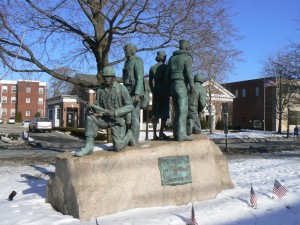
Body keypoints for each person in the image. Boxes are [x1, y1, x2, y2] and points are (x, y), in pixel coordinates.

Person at [75, 66, 134, 157]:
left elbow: (130, 106)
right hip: (104, 118)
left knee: (117, 147)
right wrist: (90, 107)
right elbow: (97, 107)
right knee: (90, 118)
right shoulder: (100, 90)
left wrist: (115, 112)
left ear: (113, 78)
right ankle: (89, 147)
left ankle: (129, 135)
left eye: (108, 76)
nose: (106, 79)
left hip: (117, 120)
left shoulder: (121, 89)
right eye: (104, 77)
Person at [167, 40, 194, 141]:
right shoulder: (187, 57)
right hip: (180, 84)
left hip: (172, 85)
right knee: (183, 110)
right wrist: (192, 86)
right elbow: (189, 73)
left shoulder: (172, 58)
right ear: (187, 47)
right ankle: (181, 134)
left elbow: (167, 75)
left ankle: (176, 134)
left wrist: (168, 87)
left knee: (177, 111)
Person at [122, 43, 144, 144]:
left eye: (126, 49)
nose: (124, 51)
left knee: (134, 116)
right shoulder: (127, 62)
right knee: (126, 115)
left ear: (131, 50)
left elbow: (140, 78)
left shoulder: (137, 61)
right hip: (126, 91)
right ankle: (127, 137)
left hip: (134, 91)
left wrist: (137, 94)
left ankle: (134, 138)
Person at [149, 51, 170, 140]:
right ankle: (161, 132)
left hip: (156, 91)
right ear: (164, 58)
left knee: (155, 113)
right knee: (164, 113)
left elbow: (150, 82)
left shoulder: (152, 68)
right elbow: (169, 80)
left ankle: (154, 133)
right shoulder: (167, 67)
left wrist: (153, 90)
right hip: (165, 91)